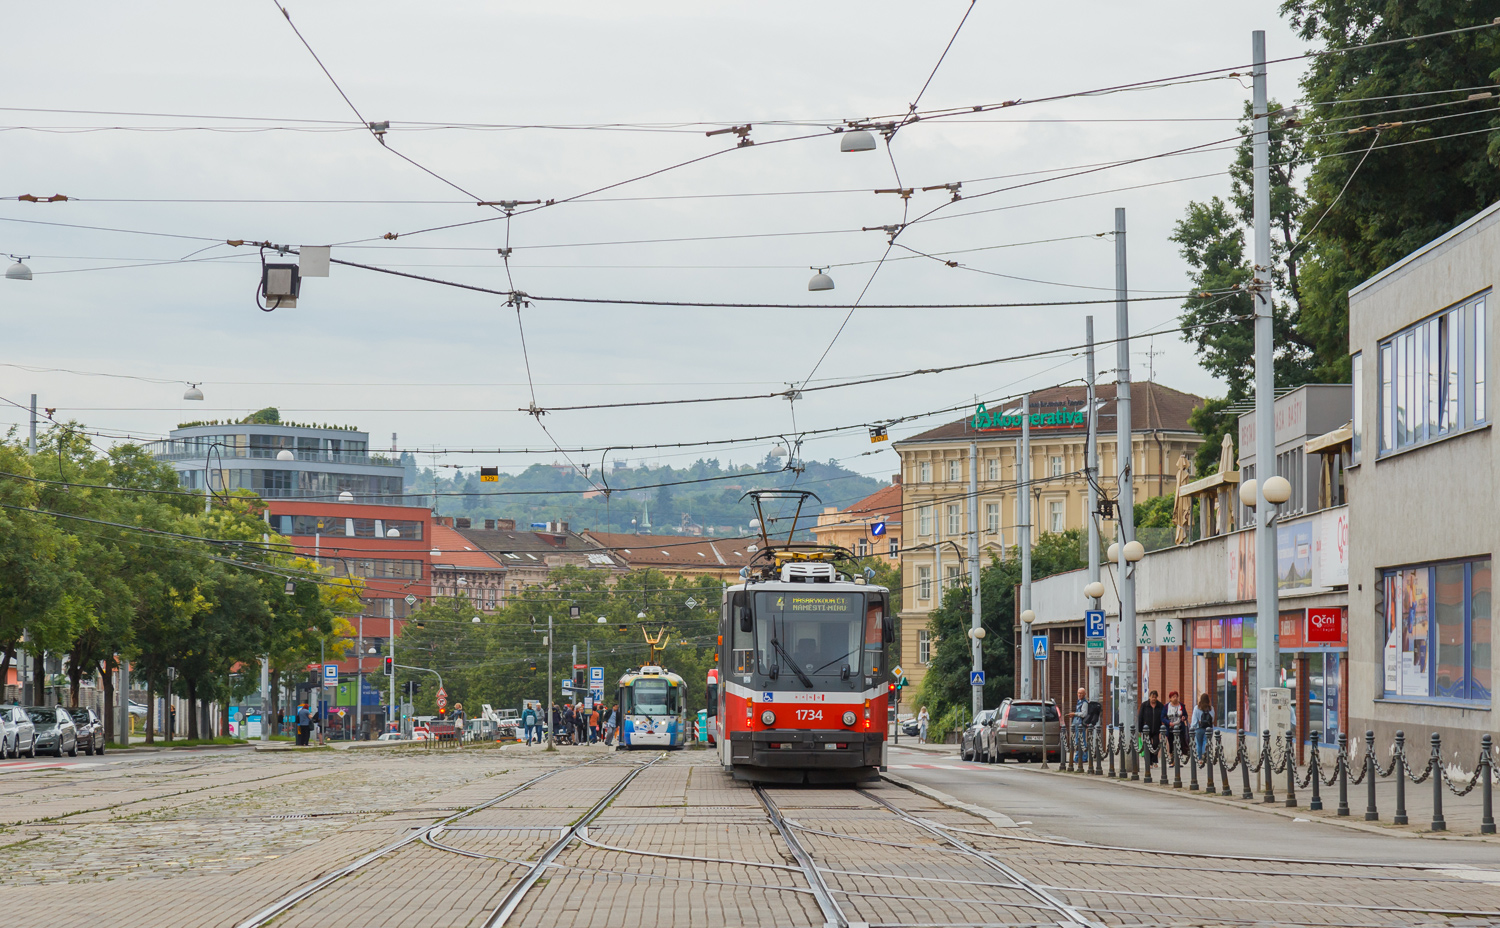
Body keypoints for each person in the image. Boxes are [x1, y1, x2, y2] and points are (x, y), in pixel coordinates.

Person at [1137, 690, 1164, 760]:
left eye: (1155, 697)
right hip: (1146, 729)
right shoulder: (1144, 705)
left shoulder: (1160, 706)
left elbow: (1163, 716)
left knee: (1156, 744)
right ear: (1149, 697)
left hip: (1156, 728)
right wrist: (1140, 730)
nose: (1153, 699)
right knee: (1148, 745)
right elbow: (1140, 717)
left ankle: (1154, 759)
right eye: (1152, 697)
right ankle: (1149, 761)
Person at [1163, 691, 1188, 757]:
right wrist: (1168, 723)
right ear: (1170, 698)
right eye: (1173, 697)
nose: (1175, 698)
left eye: (1176, 696)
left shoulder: (1181, 705)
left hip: (1180, 728)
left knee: (1179, 743)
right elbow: (1162, 717)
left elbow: (1185, 715)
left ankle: (1178, 760)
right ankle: (1172, 759)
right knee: (1171, 744)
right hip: (1170, 728)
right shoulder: (1166, 706)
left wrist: (1184, 717)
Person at [1068, 687, 1089, 763]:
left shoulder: (1084, 703)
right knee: (1077, 741)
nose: (1079, 695)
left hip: (1081, 725)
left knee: (1081, 740)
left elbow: (1084, 714)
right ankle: (1078, 757)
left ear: (1084, 694)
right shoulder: (1079, 702)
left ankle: (1082, 758)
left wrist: (1075, 714)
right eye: (1078, 693)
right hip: (1077, 724)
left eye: (1081, 693)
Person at [1190, 693, 1215, 758]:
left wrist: (1192, 727)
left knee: (1198, 743)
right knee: (1206, 741)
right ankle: (1205, 754)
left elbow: (1194, 720)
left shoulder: (1197, 708)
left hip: (1199, 728)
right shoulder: (1211, 708)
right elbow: (1212, 719)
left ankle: (1199, 758)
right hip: (1209, 728)